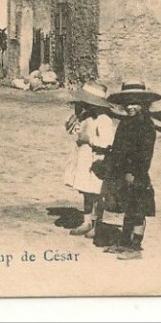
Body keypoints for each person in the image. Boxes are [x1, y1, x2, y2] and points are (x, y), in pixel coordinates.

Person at [101, 80, 161, 260]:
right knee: (129, 208)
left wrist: (134, 173)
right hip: (122, 171)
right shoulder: (126, 122)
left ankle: (135, 247)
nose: (130, 107)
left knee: (138, 211)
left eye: (134, 103)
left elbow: (145, 154)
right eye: (127, 103)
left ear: (144, 104)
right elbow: (119, 146)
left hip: (136, 174)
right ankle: (124, 242)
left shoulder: (146, 125)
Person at [62, 81, 116, 238]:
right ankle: (86, 222)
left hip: (96, 160)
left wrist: (89, 139)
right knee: (86, 191)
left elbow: (107, 143)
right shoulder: (85, 115)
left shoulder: (104, 119)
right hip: (84, 159)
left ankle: (97, 223)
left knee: (97, 192)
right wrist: (73, 124)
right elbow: (73, 132)